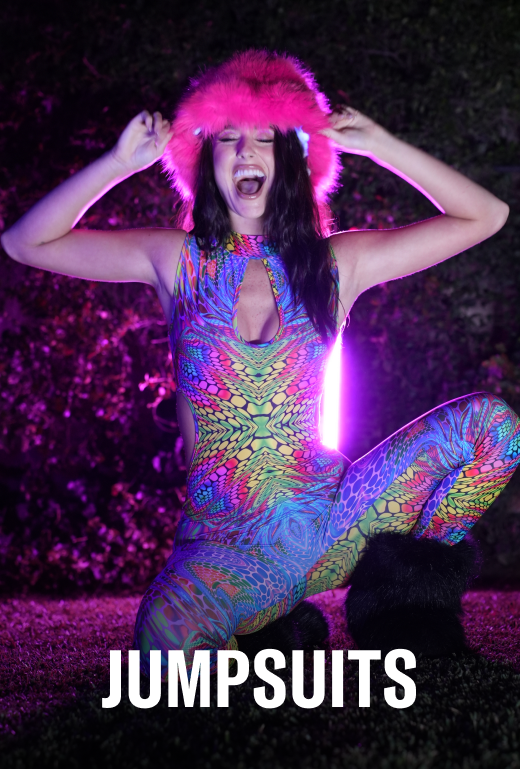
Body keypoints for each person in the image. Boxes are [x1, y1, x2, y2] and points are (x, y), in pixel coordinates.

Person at [3, 50, 519, 676]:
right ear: (204, 159)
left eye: (265, 139)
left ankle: (404, 605)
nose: (246, 153)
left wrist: (383, 145)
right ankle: (277, 623)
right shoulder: (176, 261)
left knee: (495, 429)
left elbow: (486, 216)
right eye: (228, 138)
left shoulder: (336, 264)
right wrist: (116, 165)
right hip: (223, 550)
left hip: (333, 518)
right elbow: (25, 243)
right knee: (166, 661)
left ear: (293, 160)